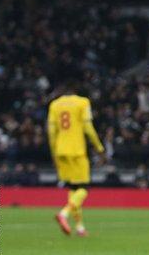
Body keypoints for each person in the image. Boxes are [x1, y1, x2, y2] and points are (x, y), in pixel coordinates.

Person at [48, 81, 105, 237]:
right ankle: (64, 214)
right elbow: (88, 127)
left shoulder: (55, 105)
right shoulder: (82, 102)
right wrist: (99, 148)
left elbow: (51, 131)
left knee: (73, 189)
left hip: (60, 150)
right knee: (84, 188)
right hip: (77, 150)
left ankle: (79, 227)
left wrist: (54, 153)